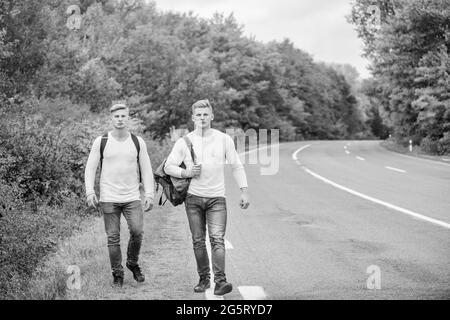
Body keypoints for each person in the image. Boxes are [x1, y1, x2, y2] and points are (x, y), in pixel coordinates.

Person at [164, 99, 250, 296]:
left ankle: (221, 281)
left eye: (205, 114)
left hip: (217, 198)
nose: (202, 118)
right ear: (193, 117)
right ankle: (204, 279)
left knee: (217, 239)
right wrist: (186, 173)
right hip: (193, 198)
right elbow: (169, 166)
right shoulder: (184, 141)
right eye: (198, 115)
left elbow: (236, 165)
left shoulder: (223, 139)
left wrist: (244, 190)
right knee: (198, 240)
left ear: (212, 116)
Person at [84, 103, 154, 287]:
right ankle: (118, 274)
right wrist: (90, 191)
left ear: (128, 118)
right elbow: (90, 168)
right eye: (117, 116)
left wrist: (149, 194)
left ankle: (132, 263)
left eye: (123, 116)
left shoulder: (138, 142)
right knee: (113, 237)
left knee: (137, 231)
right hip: (109, 198)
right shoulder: (102, 141)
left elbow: (146, 170)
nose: (120, 119)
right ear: (111, 119)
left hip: (132, 197)